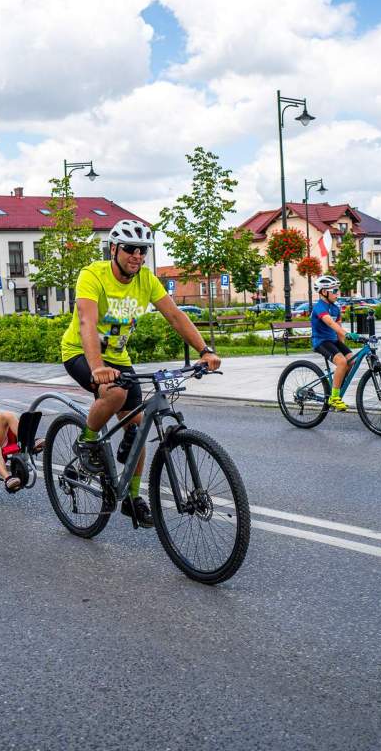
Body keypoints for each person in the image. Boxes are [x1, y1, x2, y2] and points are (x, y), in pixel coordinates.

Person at [61, 219, 221, 529]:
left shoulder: (146, 280)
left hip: (118, 358)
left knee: (137, 427)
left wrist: (204, 350)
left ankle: (132, 498)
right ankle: (87, 442)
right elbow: (86, 322)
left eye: (143, 250)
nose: (137, 255)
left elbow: (175, 315)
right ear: (114, 249)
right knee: (115, 394)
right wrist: (97, 368)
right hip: (81, 352)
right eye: (131, 248)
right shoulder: (92, 275)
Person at [310, 275, 361, 412]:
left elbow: (338, 329)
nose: (337, 293)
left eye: (338, 290)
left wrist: (343, 346)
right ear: (324, 292)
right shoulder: (319, 307)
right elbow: (331, 323)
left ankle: (336, 388)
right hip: (321, 341)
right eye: (334, 291)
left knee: (351, 360)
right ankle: (334, 397)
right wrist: (348, 334)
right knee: (342, 362)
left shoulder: (335, 308)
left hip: (333, 340)